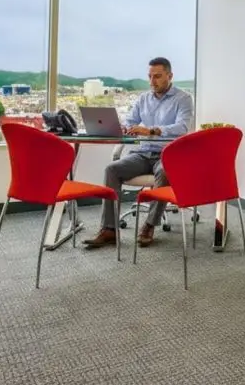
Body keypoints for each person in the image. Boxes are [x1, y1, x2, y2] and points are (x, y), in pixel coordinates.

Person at [83, 57, 194, 249]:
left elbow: (182, 127)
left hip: (167, 154)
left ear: (170, 75)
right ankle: (109, 229)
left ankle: (149, 225)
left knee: (165, 171)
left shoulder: (183, 98)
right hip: (143, 152)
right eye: (150, 77)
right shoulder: (143, 98)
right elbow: (130, 120)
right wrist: (126, 128)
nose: (152, 82)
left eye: (157, 76)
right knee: (112, 170)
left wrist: (151, 130)